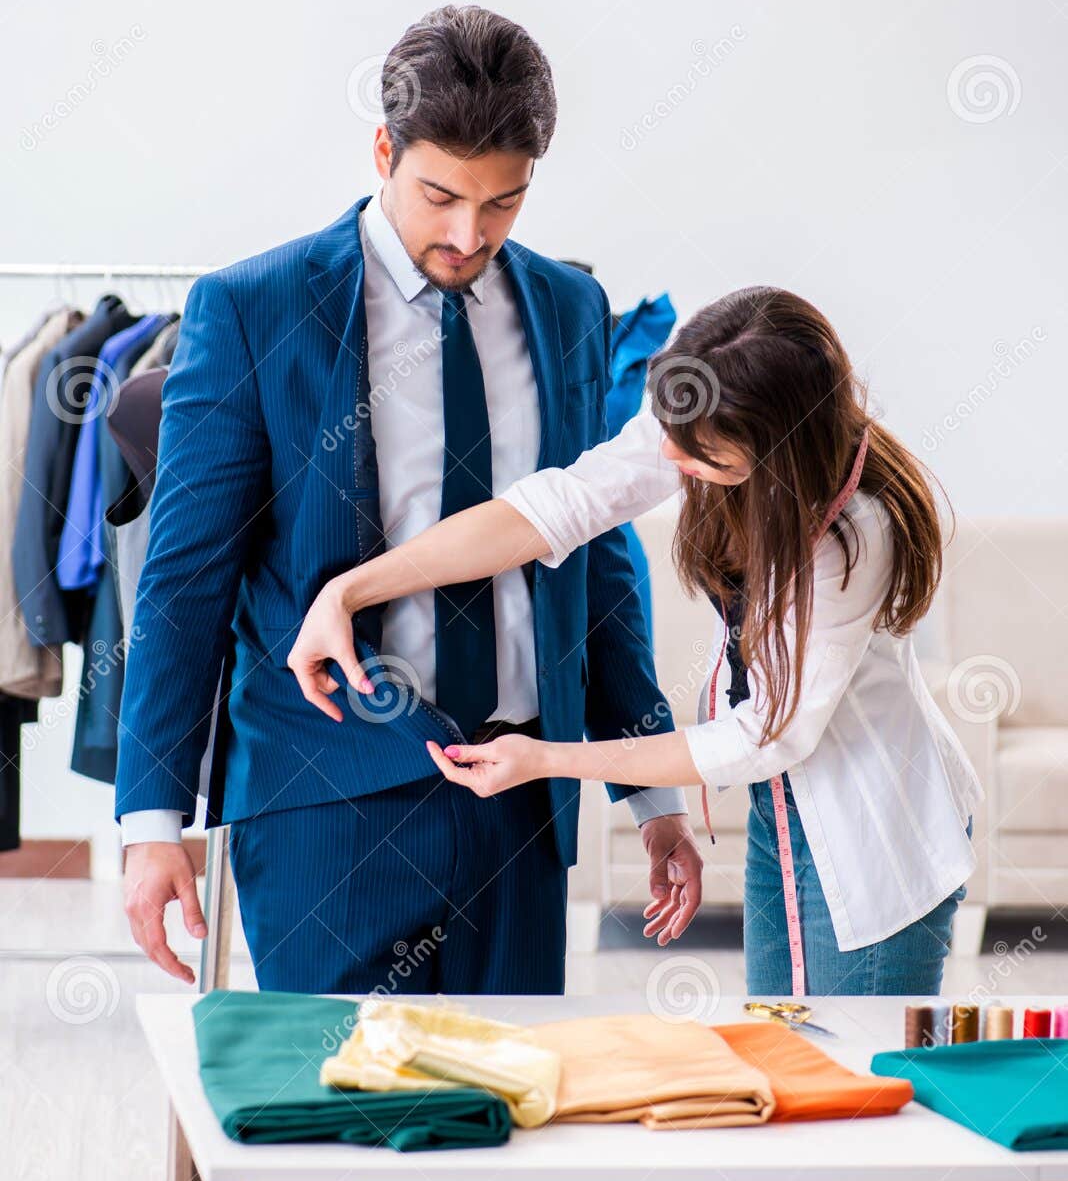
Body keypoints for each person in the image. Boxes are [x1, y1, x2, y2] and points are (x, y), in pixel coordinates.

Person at [117, 4, 702, 996]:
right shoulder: (255, 306)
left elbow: (598, 557)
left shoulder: (569, 309)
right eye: (439, 196)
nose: (468, 234)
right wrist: (150, 824)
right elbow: (186, 578)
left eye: (503, 204)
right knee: (334, 1125)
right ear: (383, 149)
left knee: (507, 1125)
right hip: (324, 800)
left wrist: (652, 793)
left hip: (522, 797)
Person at [290, 288, 982, 994]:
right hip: (780, 812)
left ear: (778, 452)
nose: (675, 464)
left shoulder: (852, 533)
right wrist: (348, 593)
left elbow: (769, 735)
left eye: (703, 461)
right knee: (785, 1062)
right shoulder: (700, 413)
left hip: (874, 831)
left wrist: (550, 760)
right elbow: (552, 507)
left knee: (856, 1083)